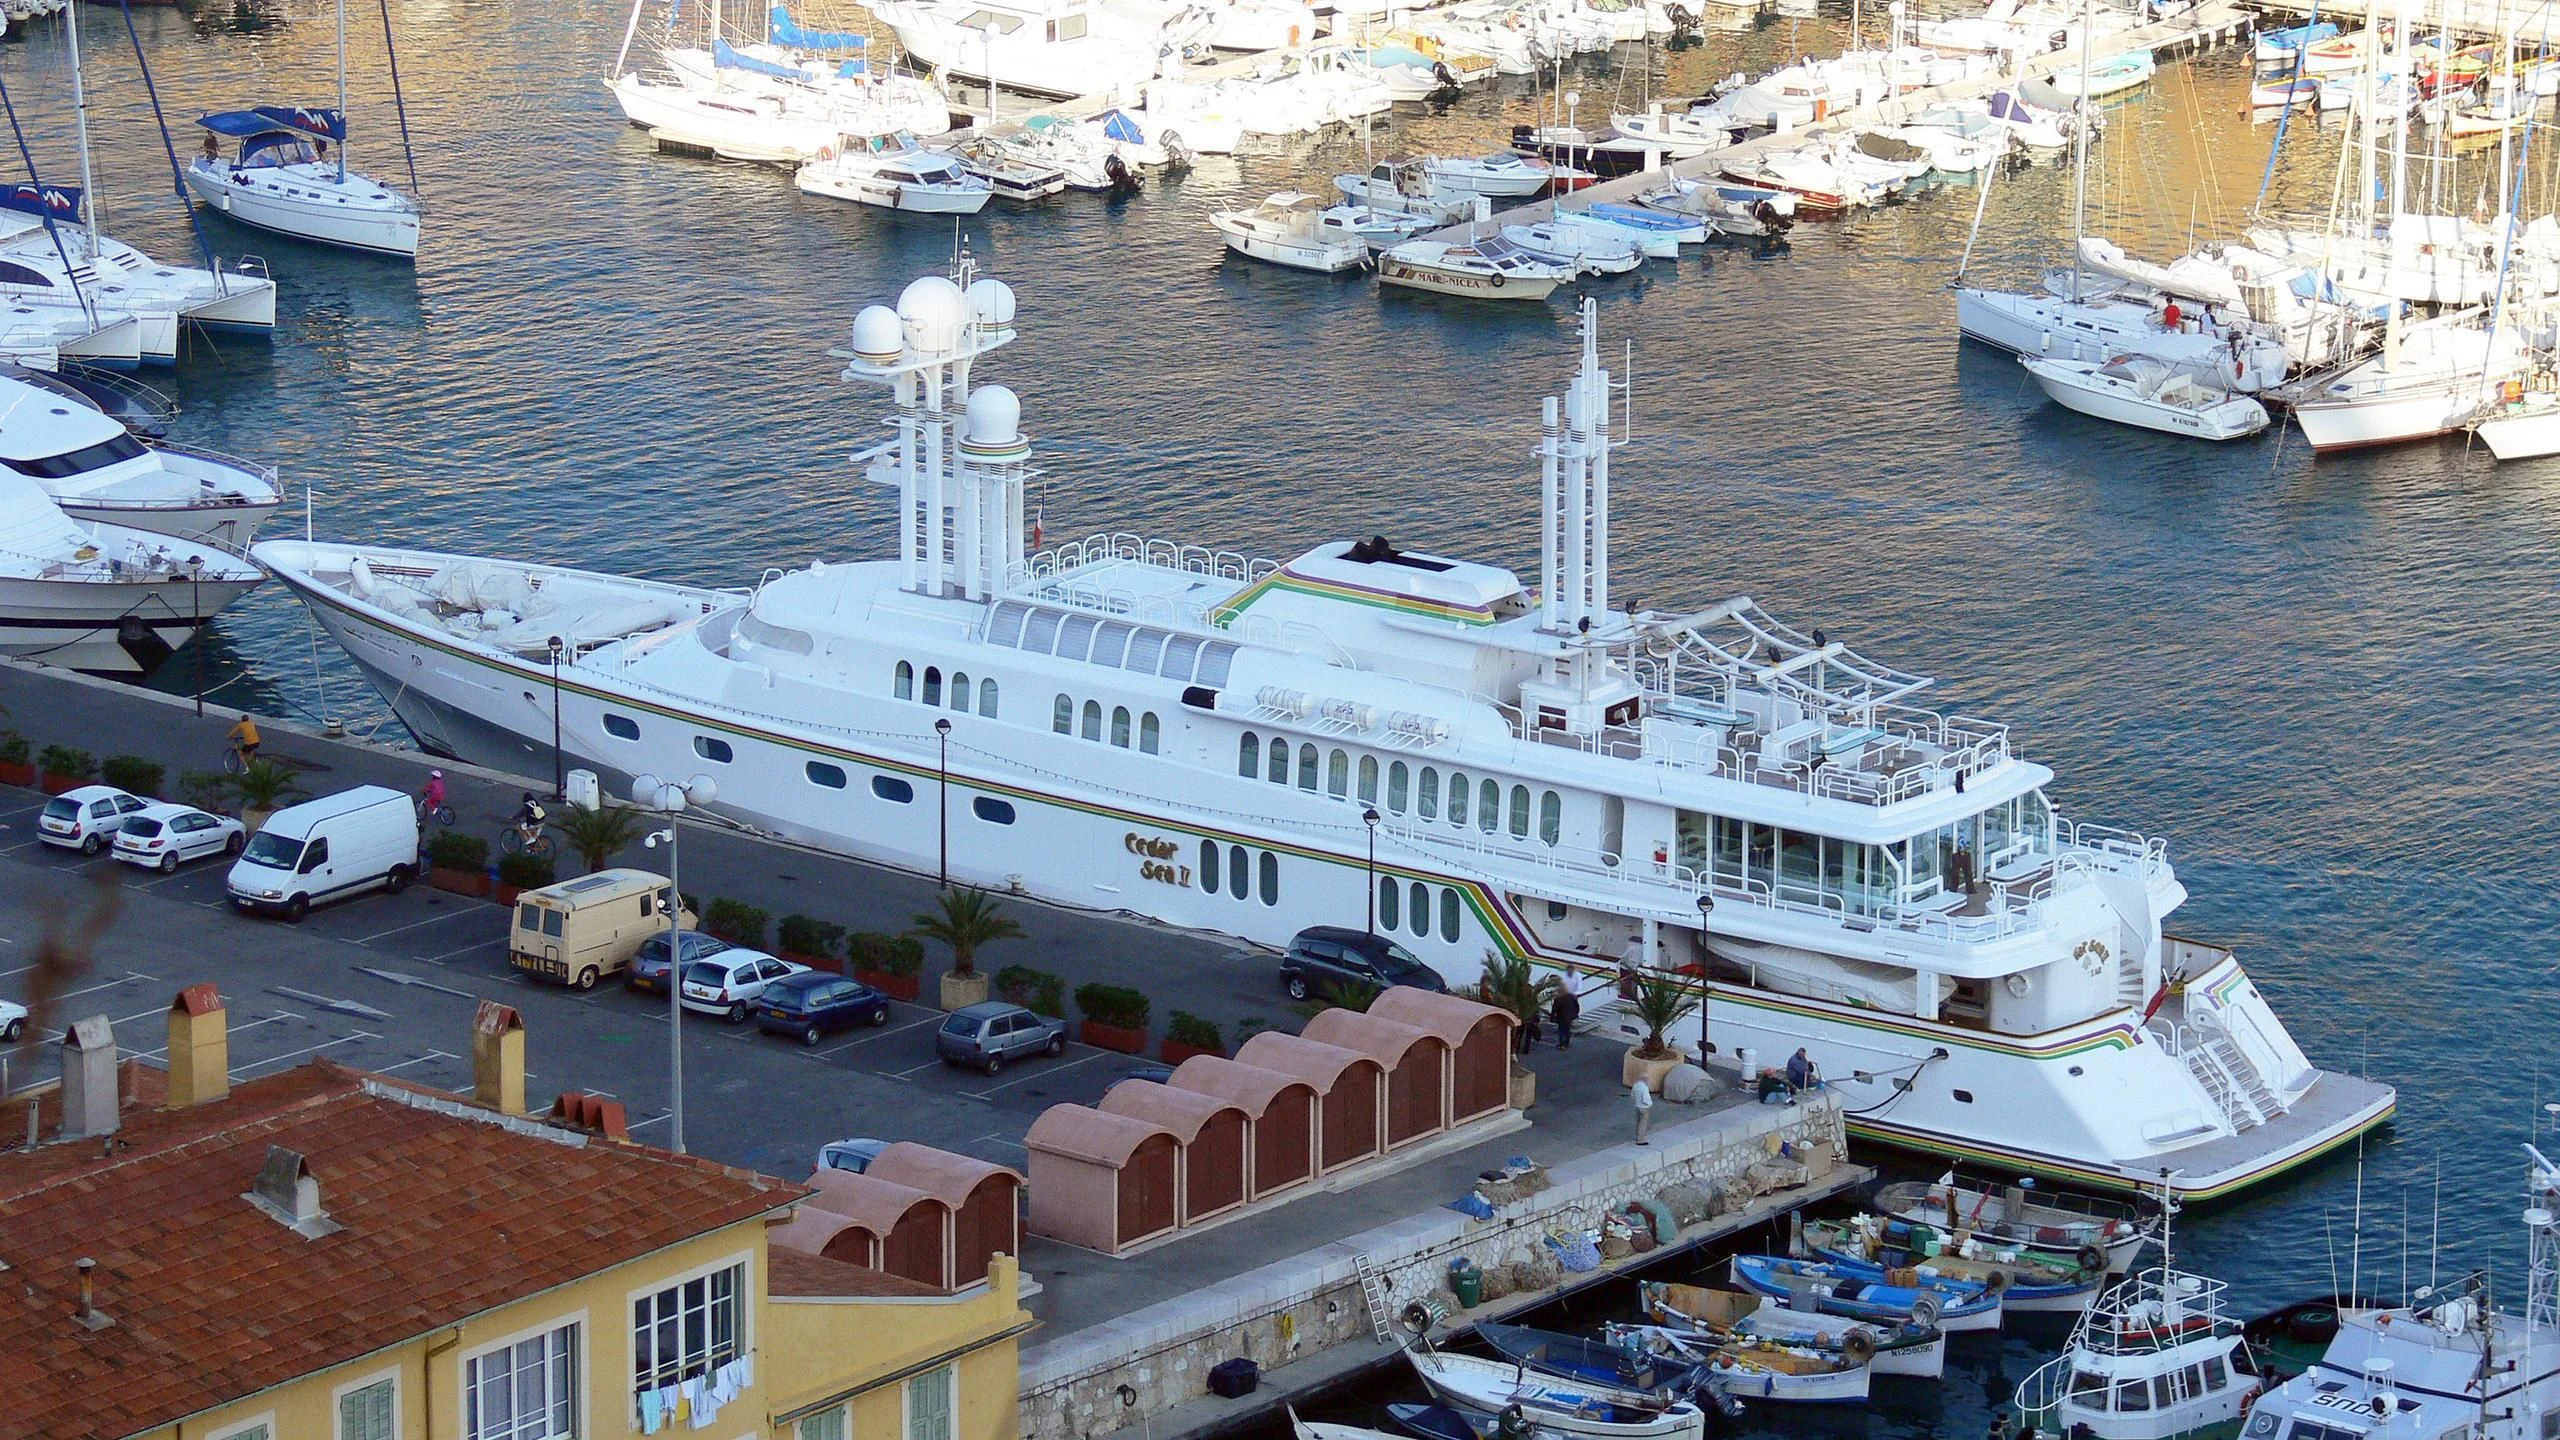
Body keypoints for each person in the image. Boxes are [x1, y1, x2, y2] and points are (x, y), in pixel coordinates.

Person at [1551, 985, 1580, 1050]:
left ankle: (1562, 1045)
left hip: (1561, 1016)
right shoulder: (1571, 997)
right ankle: (1567, 1043)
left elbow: (1555, 1008)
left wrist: (1552, 1017)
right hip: (1569, 1016)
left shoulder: (1558, 998)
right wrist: (1575, 1014)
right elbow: (1577, 1006)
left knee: (1561, 1030)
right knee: (1567, 1029)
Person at [1631, 1077, 1655, 1145]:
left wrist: (1635, 1102)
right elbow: (1646, 1098)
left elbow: (1632, 1095)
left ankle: (1637, 1136)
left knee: (1638, 1121)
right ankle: (1640, 1140)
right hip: (1644, 1107)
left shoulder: (1636, 1085)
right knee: (1643, 1123)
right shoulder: (1644, 1087)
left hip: (1637, 1106)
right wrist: (1650, 1104)